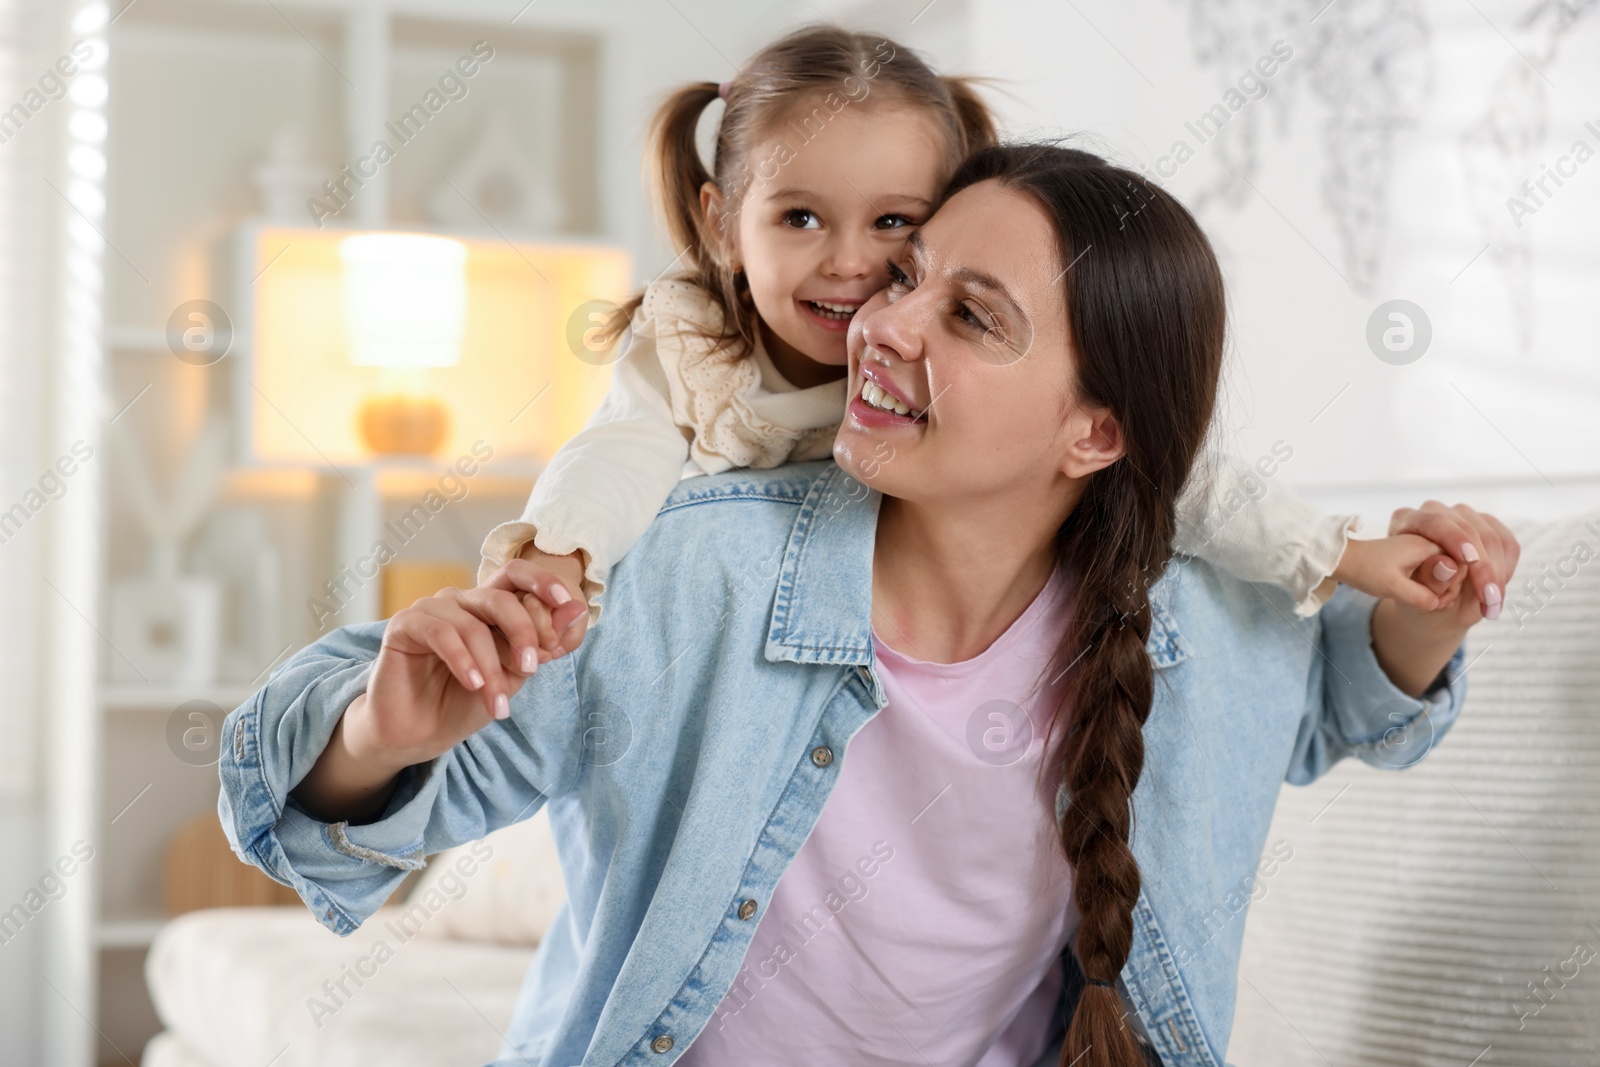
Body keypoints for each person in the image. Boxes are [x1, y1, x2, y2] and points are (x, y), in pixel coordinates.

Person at [219, 144, 1515, 1067]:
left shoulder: (1198, 618)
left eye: (971, 313)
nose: (883, 326)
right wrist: (378, 738)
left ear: (1094, 430)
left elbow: (1335, 705)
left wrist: (1436, 604)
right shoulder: (694, 572)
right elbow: (292, 804)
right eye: (908, 277)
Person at [476, 26, 1468, 725]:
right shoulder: (690, 346)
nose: (853, 269)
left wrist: (1345, 557)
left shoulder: (1093, 523)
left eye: (897, 230)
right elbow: (617, 450)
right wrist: (563, 555)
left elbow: (1187, 484)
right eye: (800, 218)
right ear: (718, 224)